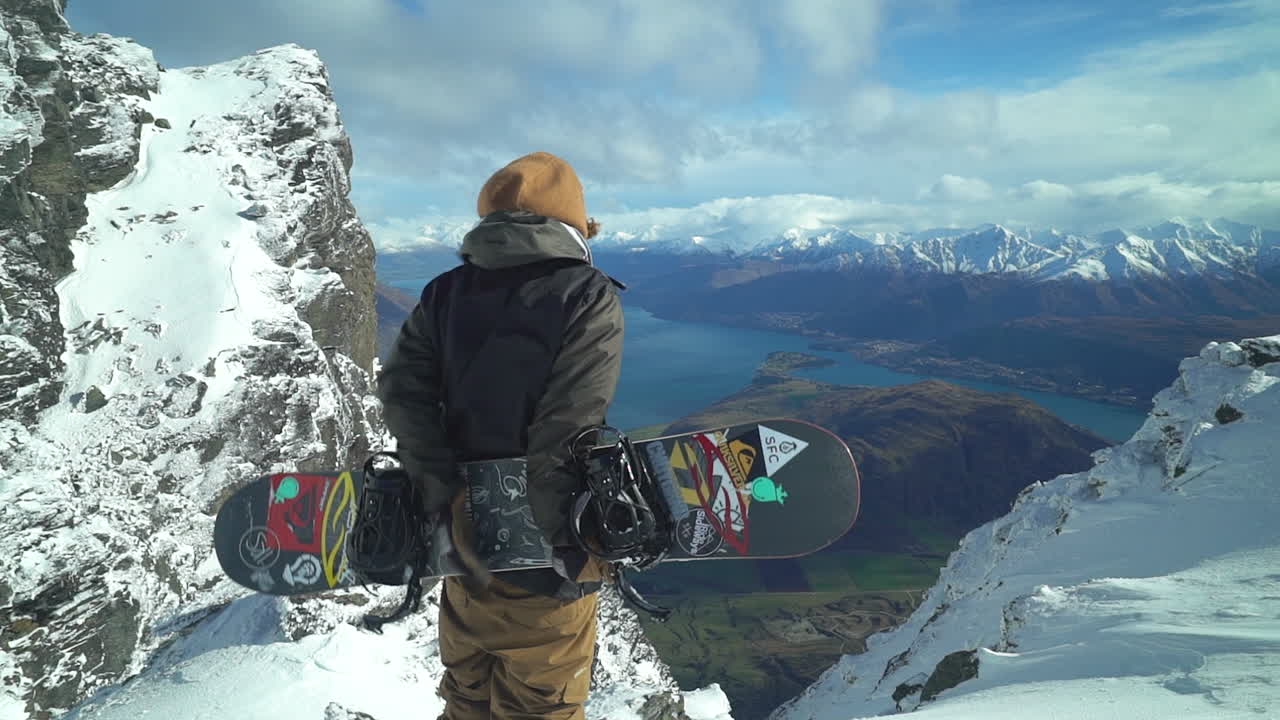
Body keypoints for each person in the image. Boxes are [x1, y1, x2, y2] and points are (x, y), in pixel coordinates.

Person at [377, 151, 624, 720]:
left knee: (467, 698)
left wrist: (444, 496)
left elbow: (402, 392)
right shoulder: (585, 292)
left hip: (458, 547)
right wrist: (559, 541)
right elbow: (569, 424)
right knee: (541, 707)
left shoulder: (444, 292)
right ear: (573, 222)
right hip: (546, 559)